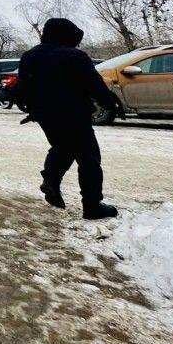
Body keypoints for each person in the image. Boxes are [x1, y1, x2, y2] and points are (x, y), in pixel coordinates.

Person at [13, 18, 124, 219]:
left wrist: (32, 108)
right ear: (67, 36)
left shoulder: (30, 56)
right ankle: (92, 205)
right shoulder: (75, 56)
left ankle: (51, 180)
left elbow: (23, 86)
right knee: (89, 158)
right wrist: (110, 103)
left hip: (45, 115)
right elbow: (94, 84)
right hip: (73, 114)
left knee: (62, 147)